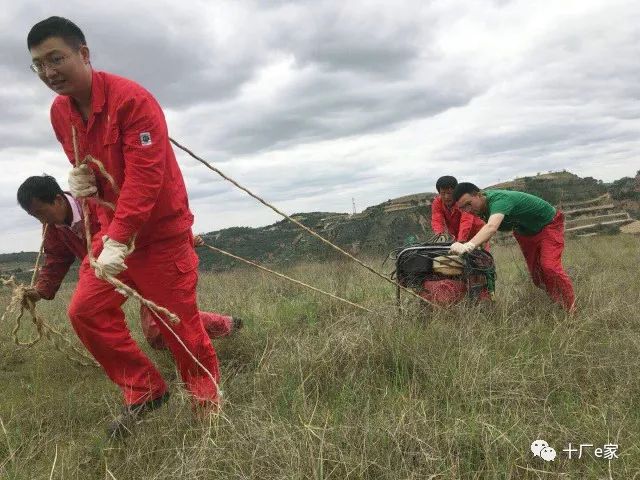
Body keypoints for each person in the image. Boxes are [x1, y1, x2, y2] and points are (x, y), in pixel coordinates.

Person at [28, 16, 221, 436]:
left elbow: (145, 179)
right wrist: (83, 186)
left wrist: (118, 238)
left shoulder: (133, 101)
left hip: (159, 235)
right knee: (85, 311)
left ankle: (207, 407)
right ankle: (145, 389)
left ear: (83, 54)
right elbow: (93, 169)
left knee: (179, 327)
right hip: (109, 230)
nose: (48, 72)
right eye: (38, 65)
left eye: (56, 58)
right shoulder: (60, 112)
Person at [16, 175, 241, 349]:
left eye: (41, 213)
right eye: (35, 216)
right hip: (109, 274)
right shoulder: (54, 228)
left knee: (157, 333)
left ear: (57, 200)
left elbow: (140, 220)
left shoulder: (96, 202)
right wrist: (40, 290)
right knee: (89, 312)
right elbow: (56, 258)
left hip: (142, 262)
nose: (41, 220)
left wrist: (187, 239)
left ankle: (226, 326)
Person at [451, 183, 575, 312]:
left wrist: (468, 246)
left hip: (548, 225)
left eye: (468, 204)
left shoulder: (499, 200)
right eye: (463, 208)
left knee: (550, 267)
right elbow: (486, 230)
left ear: (478, 195)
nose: (467, 210)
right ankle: (558, 302)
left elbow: (491, 227)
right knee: (538, 277)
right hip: (525, 233)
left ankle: (571, 309)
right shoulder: (481, 208)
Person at [431, 176, 487, 247]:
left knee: (482, 256)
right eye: (443, 193)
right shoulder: (437, 203)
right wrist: (440, 236)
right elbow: (436, 220)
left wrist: (460, 242)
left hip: (477, 235)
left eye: (449, 193)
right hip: (457, 237)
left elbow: (466, 221)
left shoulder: (462, 201)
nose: (446, 197)